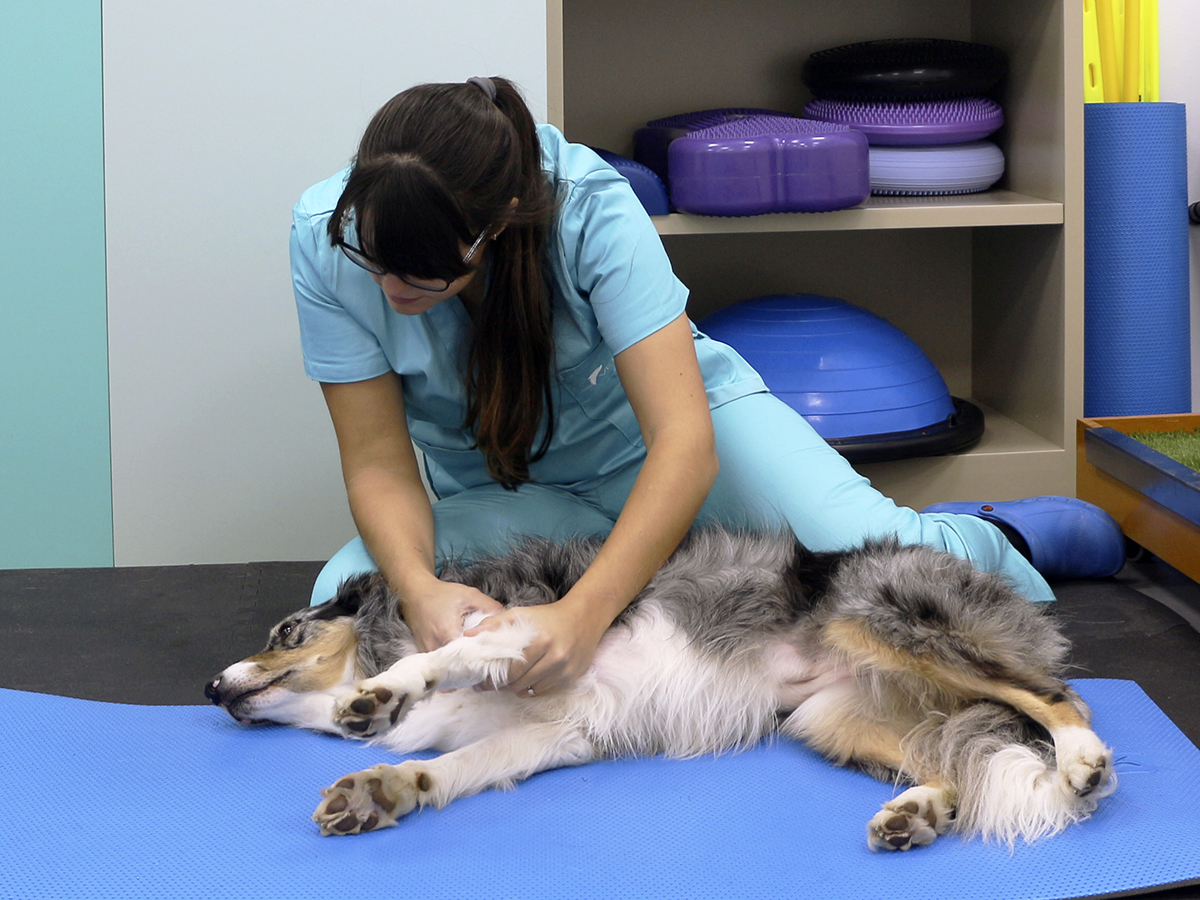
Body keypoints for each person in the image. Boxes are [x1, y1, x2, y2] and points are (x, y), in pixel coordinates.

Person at [289, 76, 1125, 699]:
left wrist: (582, 615)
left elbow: (683, 444)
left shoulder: (587, 205)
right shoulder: (324, 236)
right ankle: (622, 570)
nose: (391, 288)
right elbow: (378, 465)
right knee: (347, 588)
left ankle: (997, 536)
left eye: (425, 274)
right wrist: (422, 592)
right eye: (377, 262)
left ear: (500, 219)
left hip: (675, 448)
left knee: (871, 556)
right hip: (524, 494)